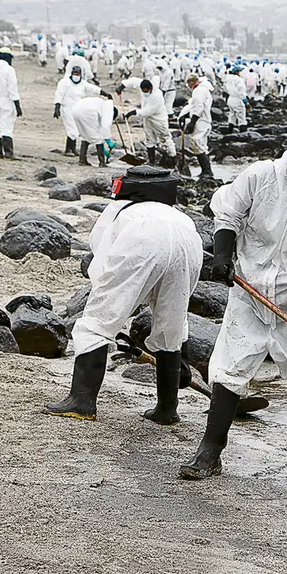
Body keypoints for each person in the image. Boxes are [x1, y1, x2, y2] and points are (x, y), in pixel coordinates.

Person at [180, 128, 287, 486]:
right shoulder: (260, 178)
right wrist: (223, 256)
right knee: (231, 367)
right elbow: (228, 217)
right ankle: (209, 453)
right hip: (250, 291)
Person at [45, 166, 203, 424]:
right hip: (189, 243)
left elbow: (102, 254)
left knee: (96, 324)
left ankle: (81, 402)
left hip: (142, 240)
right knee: (172, 324)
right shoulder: (179, 216)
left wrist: (111, 304)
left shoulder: (120, 210)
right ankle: (167, 408)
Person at [55, 65, 111, 157]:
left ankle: (73, 149)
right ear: (72, 74)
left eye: (78, 74)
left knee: (77, 129)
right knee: (71, 129)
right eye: (75, 74)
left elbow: (93, 89)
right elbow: (59, 94)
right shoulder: (64, 83)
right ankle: (68, 149)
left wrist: (105, 94)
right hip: (67, 108)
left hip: (78, 109)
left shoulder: (83, 83)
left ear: (81, 75)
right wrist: (57, 107)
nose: (76, 76)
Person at [122, 78, 176, 166]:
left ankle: (173, 159)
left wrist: (134, 112)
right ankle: (151, 162)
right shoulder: (143, 85)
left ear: (150, 88)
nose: (144, 93)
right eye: (143, 91)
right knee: (149, 139)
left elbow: (147, 111)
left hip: (159, 119)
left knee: (165, 138)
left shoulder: (157, 96)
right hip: (148, 119)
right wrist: (123, 85)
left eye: (146, 91)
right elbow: (134, 81)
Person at [0, 47, 23, 159]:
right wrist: (18, 106)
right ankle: (8, 152)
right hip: (6, 101)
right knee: (6, 126)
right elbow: (12, 89)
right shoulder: (9, 70)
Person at [178, 74, 213, 179]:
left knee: (196, 143)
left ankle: (207, 171)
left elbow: (199, 107)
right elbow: (196, 106)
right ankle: (206, 171)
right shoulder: (203, 89)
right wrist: (186, 115)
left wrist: (192, 122)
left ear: (191, 82)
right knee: (201, 144)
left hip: (201, 121)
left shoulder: (199, 91)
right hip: (204, 120)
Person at [68, 96, 115, 167]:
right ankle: (102, 162)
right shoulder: (108, 110)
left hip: (75, 109)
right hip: (88, 111)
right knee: (98, 138)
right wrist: (108, 141)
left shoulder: (102, 103)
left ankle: (82, 160)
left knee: (85, 136)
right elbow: (105, 126)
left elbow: (100, 126)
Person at [224, 66, 247, 133]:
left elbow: (225, 89)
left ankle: (229, 131)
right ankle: (243, 134)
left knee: (232, 116)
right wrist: (245, 101)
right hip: (238, 99)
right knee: (241, 118)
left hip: (230, 99)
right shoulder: (239, 80)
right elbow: (241, 91)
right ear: (237, 72)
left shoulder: (227, 79)